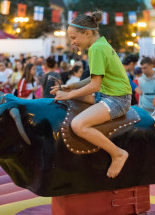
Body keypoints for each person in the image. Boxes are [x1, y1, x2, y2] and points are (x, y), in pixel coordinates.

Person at [50, 11, 132, 178]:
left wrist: (69, 95)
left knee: (78, 125)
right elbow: (94, 77)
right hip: (114, 97)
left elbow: (95, 85)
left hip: (117, 100)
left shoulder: (96, 48)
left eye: (74, 38)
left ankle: (118, 154)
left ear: (87, 33)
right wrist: (72, 86)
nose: (72, 43)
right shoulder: (101, 44)